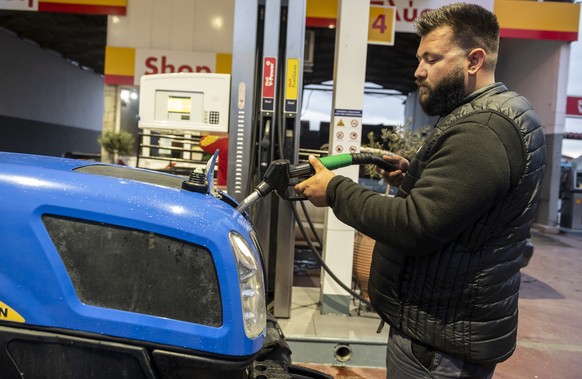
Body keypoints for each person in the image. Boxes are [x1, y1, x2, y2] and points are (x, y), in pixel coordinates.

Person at [295, 3, 546, 378]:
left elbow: (416, 226)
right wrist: (418, 176)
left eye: (432, 58)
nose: (418, 70)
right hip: (443, 331)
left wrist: (335, 190)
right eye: (419, 58)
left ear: (474, 60)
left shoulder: (484, 130)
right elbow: (465, 205)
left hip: (439, 346)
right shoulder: (496, 112)